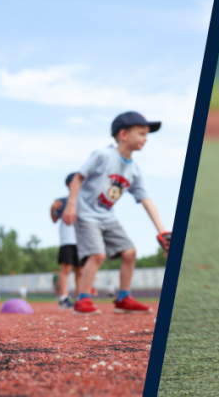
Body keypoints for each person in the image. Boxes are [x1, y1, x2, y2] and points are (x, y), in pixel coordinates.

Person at [61, 111, 172, 315]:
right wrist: (71, 205)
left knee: (130, 252)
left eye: (147, 135)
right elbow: (78, 177)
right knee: (97, 254)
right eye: (141, 133)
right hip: (86, 213)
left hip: (107, 215)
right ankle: (83, 299)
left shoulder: (134, 170)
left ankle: (124, 298)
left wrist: (161, 231)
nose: (146, 139)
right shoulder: (103, 155)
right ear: (124, 134)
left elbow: (146, 200)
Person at [51, 173, 84, 309]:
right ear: (71, 184)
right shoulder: (62, 201)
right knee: (66, 269)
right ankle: (64, 298)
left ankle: (81, 298)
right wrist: (52, 209)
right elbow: (54, 219)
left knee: (80, 270)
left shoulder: (85, 200)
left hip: (82, 239)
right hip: (68, 239)